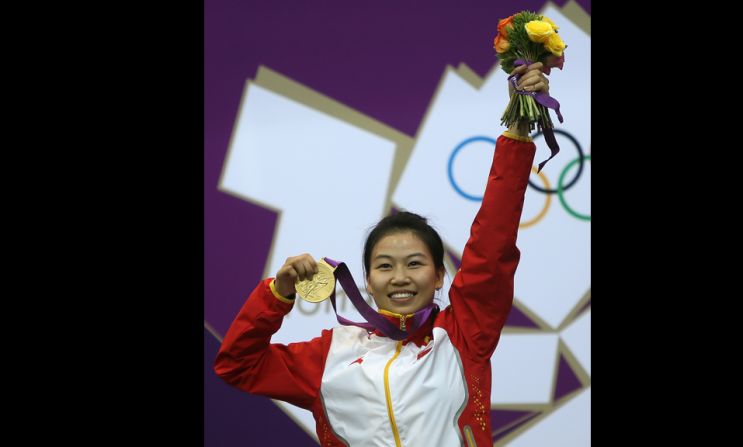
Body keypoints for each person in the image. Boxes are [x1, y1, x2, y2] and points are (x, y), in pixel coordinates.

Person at [214, 62, 549, 447]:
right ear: (368, 282)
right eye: (385, 266)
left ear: (439, 276)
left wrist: (518, 135)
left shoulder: (463, 337)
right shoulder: (328, 357)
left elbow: (493, 243)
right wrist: (278, 294)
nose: (401, 277)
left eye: (415, 264)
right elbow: (237, 365)